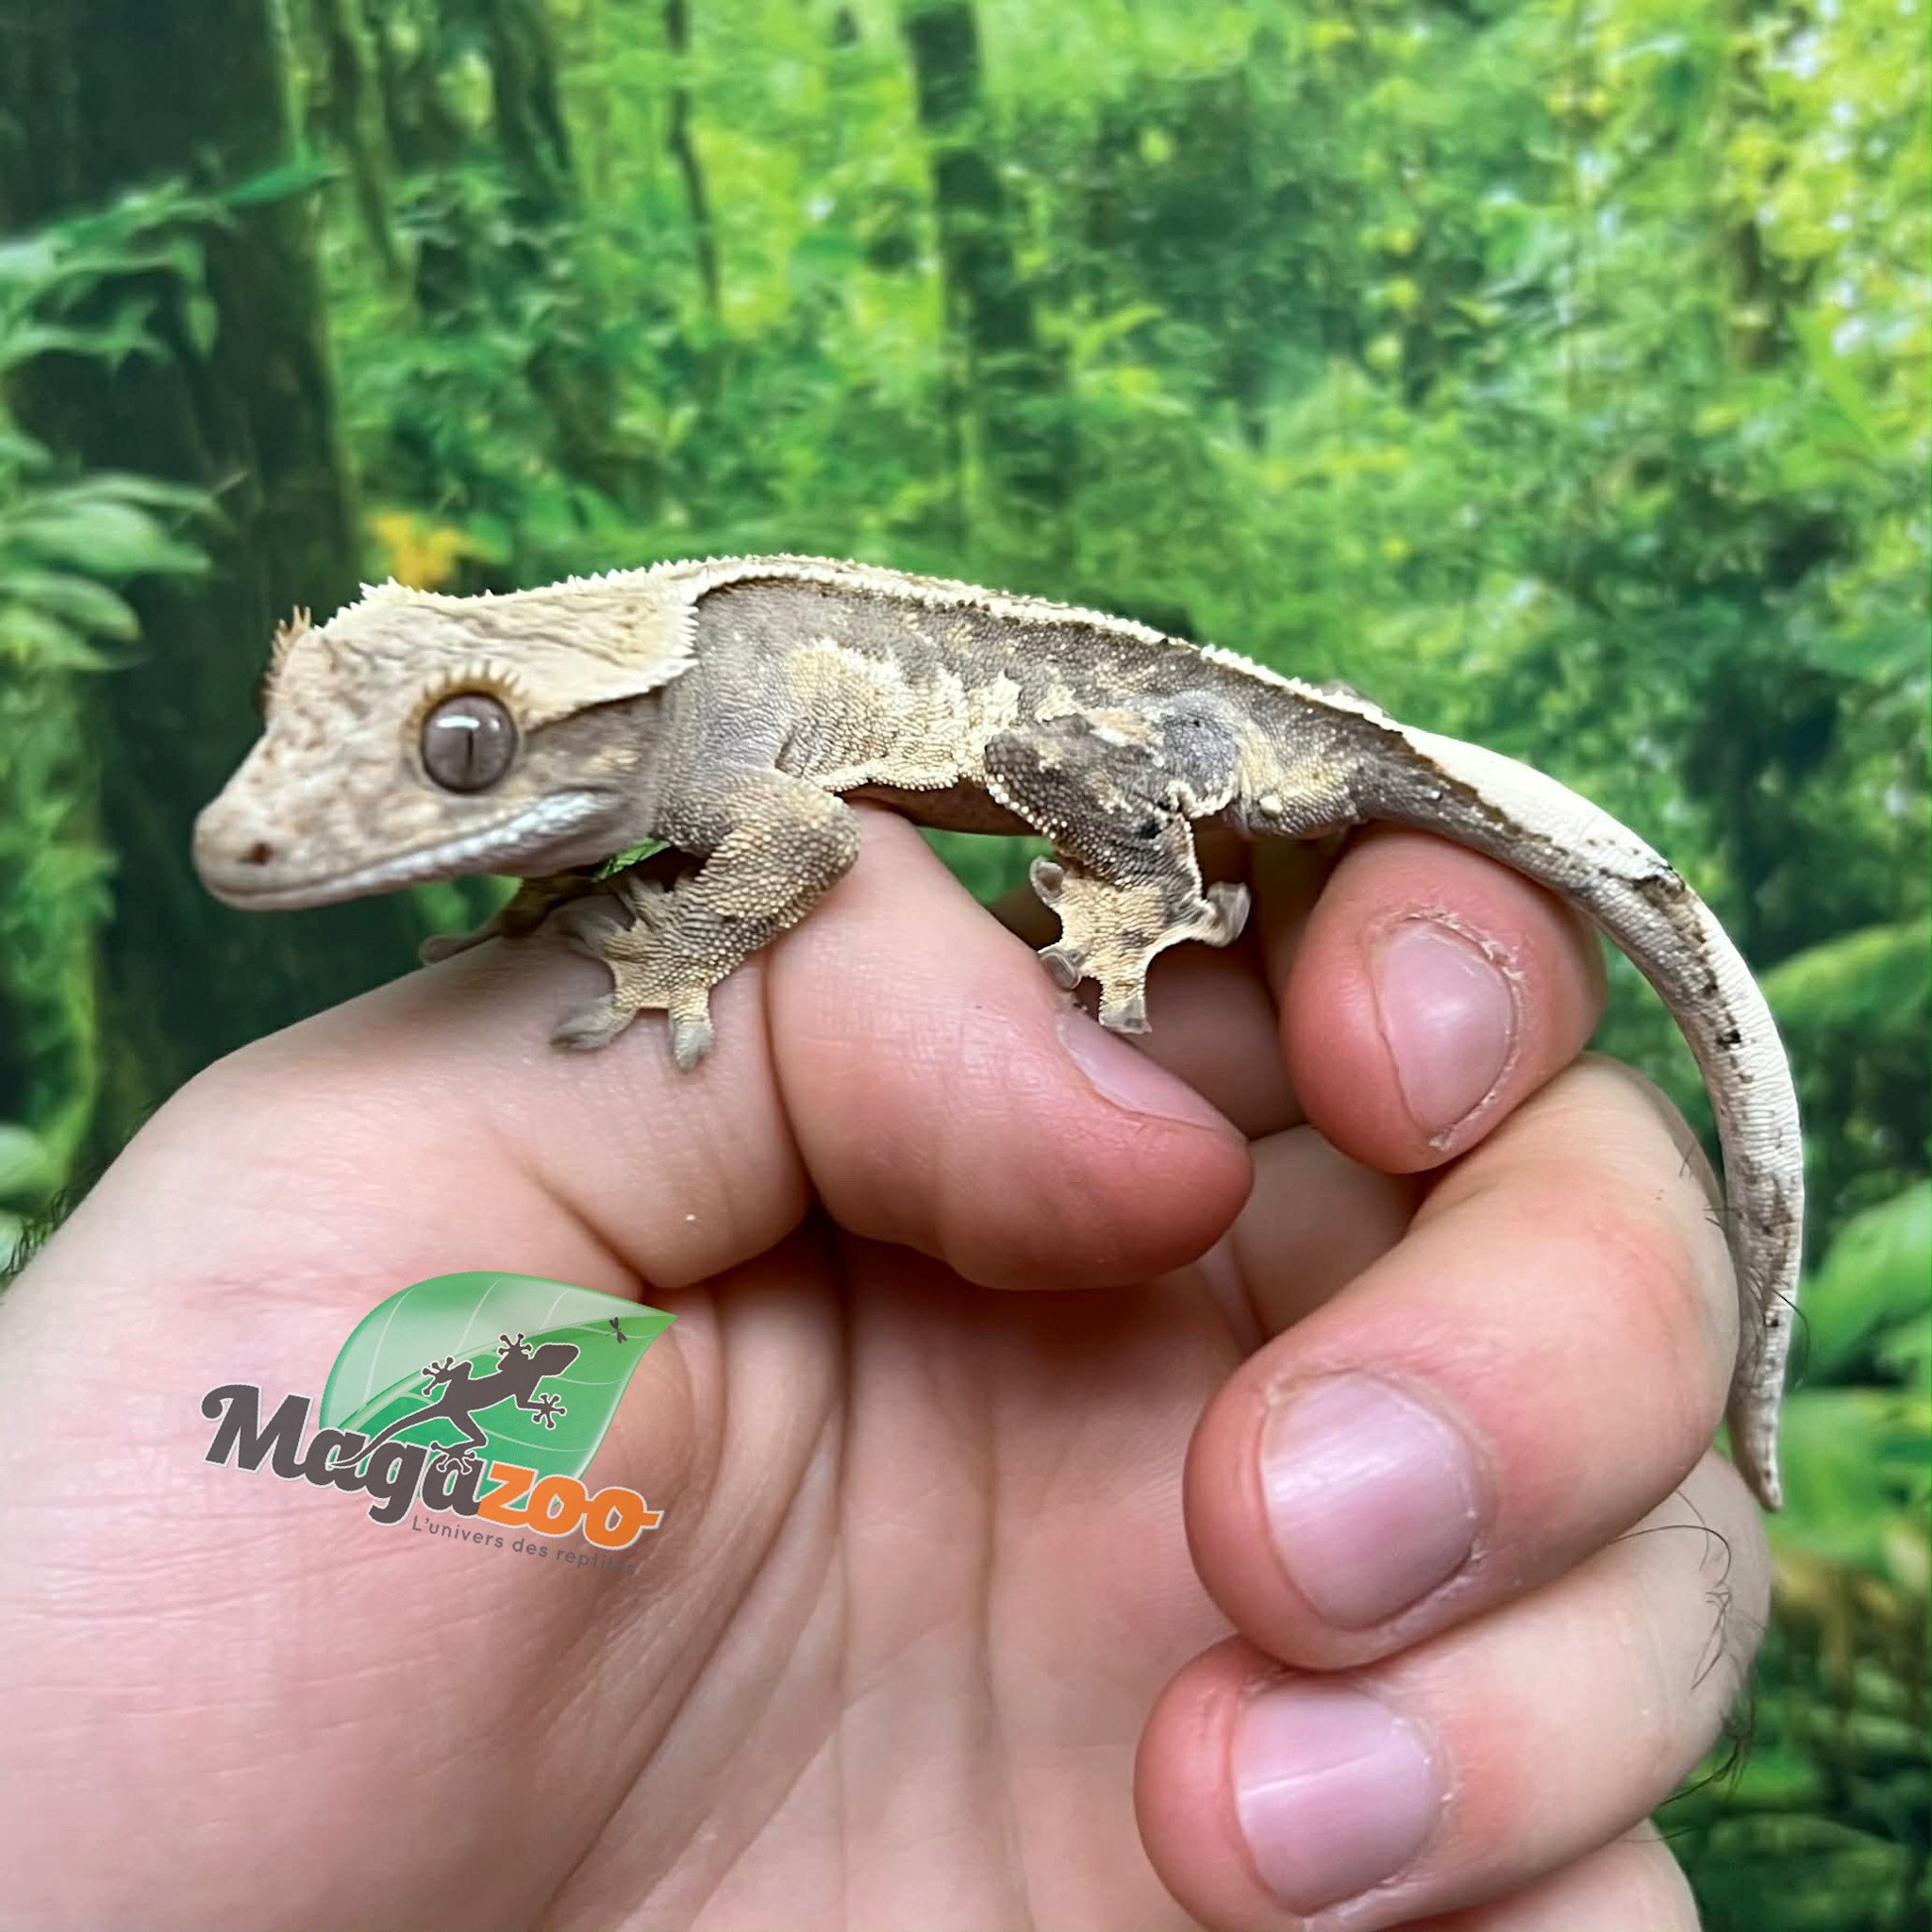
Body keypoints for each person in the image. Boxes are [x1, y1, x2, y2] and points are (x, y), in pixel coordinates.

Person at [0, 814, 1766, 1930]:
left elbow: (793, 846)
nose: (264, 822)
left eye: (458, 751)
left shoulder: (718, 740)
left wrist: (681, 950)